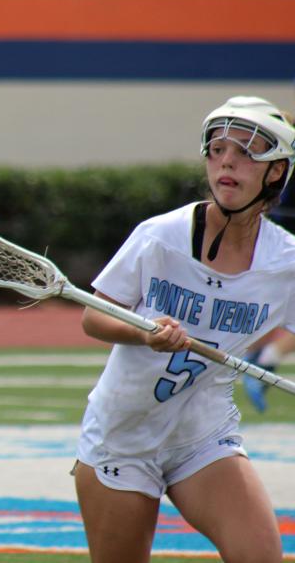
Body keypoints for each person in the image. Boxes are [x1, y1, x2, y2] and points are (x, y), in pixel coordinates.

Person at [73, 95, 294, 563]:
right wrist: (143, 331)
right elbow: (94, 316)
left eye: (246, 151)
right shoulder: (161, 236)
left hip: (203, 435)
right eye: (217, 150)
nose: (227, 162)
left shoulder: (286, 263)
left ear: (276, 171)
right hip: (123, 435)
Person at [240, 110, 295, 412]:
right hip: (281, 234)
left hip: (277, 232)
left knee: (271, 307)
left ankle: (262, 355)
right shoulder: (283, 136)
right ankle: (265, 356)